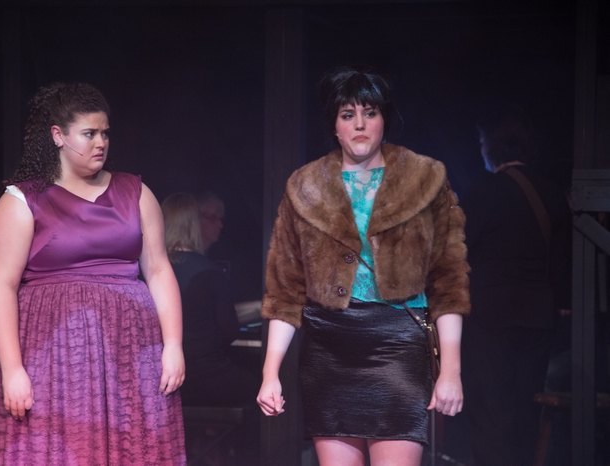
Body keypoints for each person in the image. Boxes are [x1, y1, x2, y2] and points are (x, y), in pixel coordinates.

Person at [256, 66, 471, 466]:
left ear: (384, 119)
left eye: (370, 113)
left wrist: (451, 371)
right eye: (348, 114)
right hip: (328, 349)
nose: (359, 124)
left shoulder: (424, 180)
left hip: (398, 346)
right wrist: (271, 373)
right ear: (334, 125)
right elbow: (285, 289)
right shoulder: (305, 187)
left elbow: (449, 281)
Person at [0, 82, 186, 465]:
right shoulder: (22, 200)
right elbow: (1, 287)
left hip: (129, 349)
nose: (100, 142)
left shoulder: (135, 193)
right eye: (89, 134)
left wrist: (173, 345)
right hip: (53, 355)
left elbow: (158, 270)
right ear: (58, 135)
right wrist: (13, 369)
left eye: (105, 133)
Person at [459, 104, 571, 466]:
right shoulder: (553, 193)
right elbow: (562, 262)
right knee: (525, 413)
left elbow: (455, 251)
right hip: (538, 318)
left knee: (490, 413)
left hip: (489, 317)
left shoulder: (483, 190)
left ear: (492, 146)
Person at [161, 193, 259, 407]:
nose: (220, 225)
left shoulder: (149, 271)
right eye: (213, 218)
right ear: (193, 223)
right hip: (203, 375)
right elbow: (229, 331)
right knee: (263, 392)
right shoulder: (210, 272)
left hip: (160, 376)